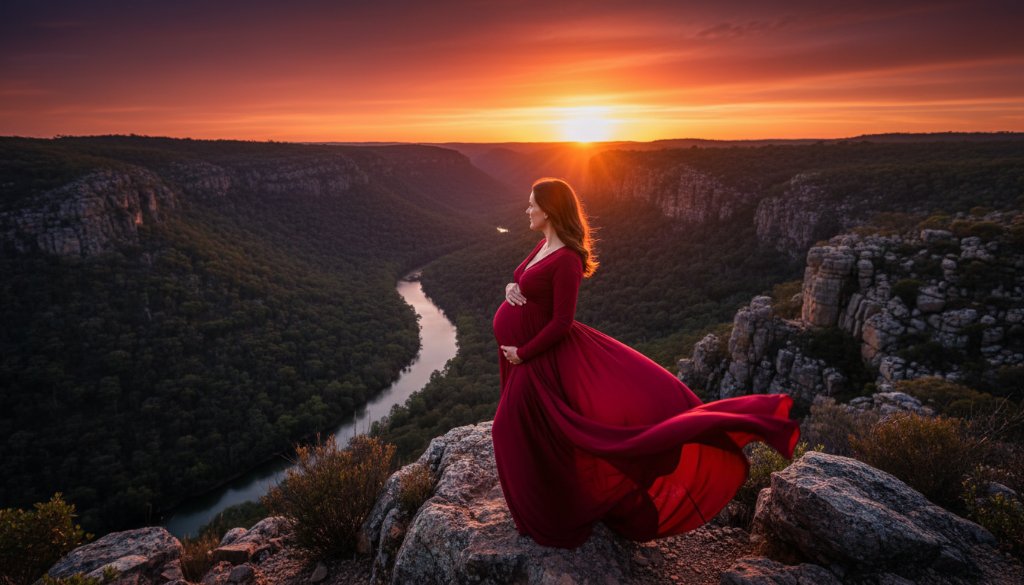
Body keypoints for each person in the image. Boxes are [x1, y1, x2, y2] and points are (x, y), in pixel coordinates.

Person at [491, 177, 800, 549]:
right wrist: (512, 287)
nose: (527, 209)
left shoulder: (568, 260)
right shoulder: (543, 244)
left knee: (505, 428)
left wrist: (524, 353)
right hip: (523, 357)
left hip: (539, 360)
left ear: (550, 210)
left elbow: (562, 322)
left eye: (532, 204)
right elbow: (522, 280)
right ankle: (547, 501)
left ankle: (545, 518)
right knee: (533, 431)